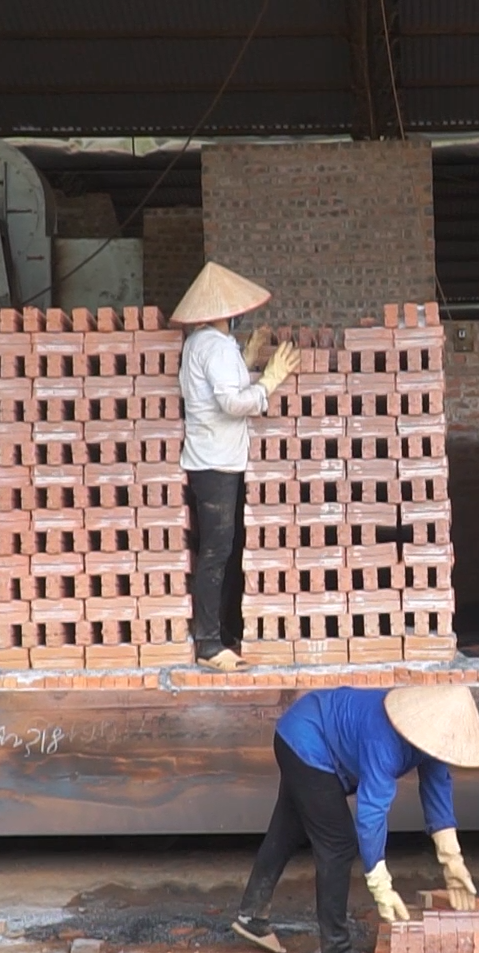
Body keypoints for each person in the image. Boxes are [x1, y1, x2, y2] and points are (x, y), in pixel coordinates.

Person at [231, 684, 479, 953]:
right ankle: (336, 950)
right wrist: (380, 883)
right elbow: (371, 815)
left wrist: (452, 861)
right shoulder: (385, 740)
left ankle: (251, 916)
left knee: (288, 830)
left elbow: (437, 789)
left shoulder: (431, 736)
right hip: (308, 743)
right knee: (338, 844)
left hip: (299, 731)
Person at [174, 261, 299, 671]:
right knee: (216, 552)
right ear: (230, 312)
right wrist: (270, 381)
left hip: (210, 459)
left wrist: (245, 358)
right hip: (216, 463)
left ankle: (222, 632)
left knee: (223, 550)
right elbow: (231, 403)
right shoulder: (215, 346)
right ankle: (209, 645)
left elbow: (217, 388)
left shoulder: (199, 343)